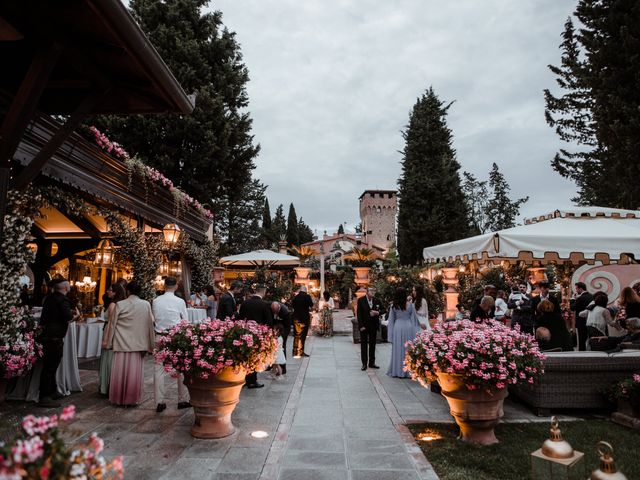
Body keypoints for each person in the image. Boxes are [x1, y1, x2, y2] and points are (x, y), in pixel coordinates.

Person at [107, 280, 155, 407]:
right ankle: (132, 398)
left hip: (121, 342)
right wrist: (151, 344)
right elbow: (150, 324)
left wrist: (109, 342)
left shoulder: (120, 304)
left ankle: (118, 398)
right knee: (134, 372)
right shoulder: (145, 304)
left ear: (127, 291)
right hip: (139, 343)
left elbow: (112, 324)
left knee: (119, 371)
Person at [37, 279, 81, 407]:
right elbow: (68, 317)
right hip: (54, 338)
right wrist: (76, 315)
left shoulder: (49, 298)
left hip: (47, 335)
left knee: (51, 365)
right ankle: (44, 396)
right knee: (50, 367)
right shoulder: (62, 300)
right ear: (66, 289)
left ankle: (52, 390)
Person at [152, 277, 190, 412]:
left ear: (164, 286)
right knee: (180, 367)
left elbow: (154, 318)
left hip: (159, 336)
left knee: (159, 369)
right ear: (175, 286)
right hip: (175, 337)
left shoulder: (156, 301)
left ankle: (159, 402)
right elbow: (185, 321)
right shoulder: (179, 301)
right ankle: (182, 399)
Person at [238, 286, 273, 389]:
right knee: (255, 357)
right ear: (264, 292)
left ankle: (244, 379)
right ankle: (252, 381)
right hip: (258, 334)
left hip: (245, 332)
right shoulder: (264, 304)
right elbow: (269, 321)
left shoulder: (245, 303)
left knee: (245, 356)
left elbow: (240, 318)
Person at [99, 282, 127, 396]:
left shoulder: (113, 305)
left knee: (108, 358)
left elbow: (111, 323)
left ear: (116, 292)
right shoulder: (121, 303)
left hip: (110, 331)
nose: (107, 291)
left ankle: (107, 385)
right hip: (117, 333)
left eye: (110, 290)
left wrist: (106, 339)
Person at [387, 287, 421, 378]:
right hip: (408, 327)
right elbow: (414, 319)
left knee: (398, 349)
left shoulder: (393, 306)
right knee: (408, 350)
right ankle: (408, 371)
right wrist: (417, 332)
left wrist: (390, 335)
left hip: (398, 327)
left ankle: (397, 371)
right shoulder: (410, 305)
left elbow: (391, 321)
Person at [357, 287, 383, 371]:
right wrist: (361, 326)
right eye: (371, 291)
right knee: (364, 345)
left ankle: (372, 363)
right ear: (367, 292)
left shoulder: (377, 300)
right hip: (364, 326)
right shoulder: (361, 300)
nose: (373, 292)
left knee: (372, 345)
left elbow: (384, 309)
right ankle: (364, 364)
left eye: (374, 291)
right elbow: (359, 314)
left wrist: (377, 312)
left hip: (373, 326)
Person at [292, 285, 314, 358]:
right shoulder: (307, 296)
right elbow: (311, 305)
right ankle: (301, 351)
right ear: (306, 290)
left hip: (296, 318)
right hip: (304, 318)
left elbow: (293, 306)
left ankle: (295, 351)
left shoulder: (295, 298)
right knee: (303, 335)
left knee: (296, 335)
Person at [570, 282, 594, 351]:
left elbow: (572, 307)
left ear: (580, 288)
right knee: (590, 339)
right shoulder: (591, 296)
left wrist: (572, 299)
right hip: (590, 321)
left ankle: (582, 354)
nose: (576, 290)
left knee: (581, 341)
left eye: (576, 288)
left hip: (581, 322)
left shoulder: (580, 298)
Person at [271, 301, 291, 374]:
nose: (275, 314)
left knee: (282, 349)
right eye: (274, 312)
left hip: (282, 332)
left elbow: (287, 327)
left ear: (279, 307)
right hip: (274, 330)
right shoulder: (270, 308)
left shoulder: (285, 312)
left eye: (276, 312)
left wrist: (282, 337)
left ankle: (282, 368)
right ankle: (272, 365)